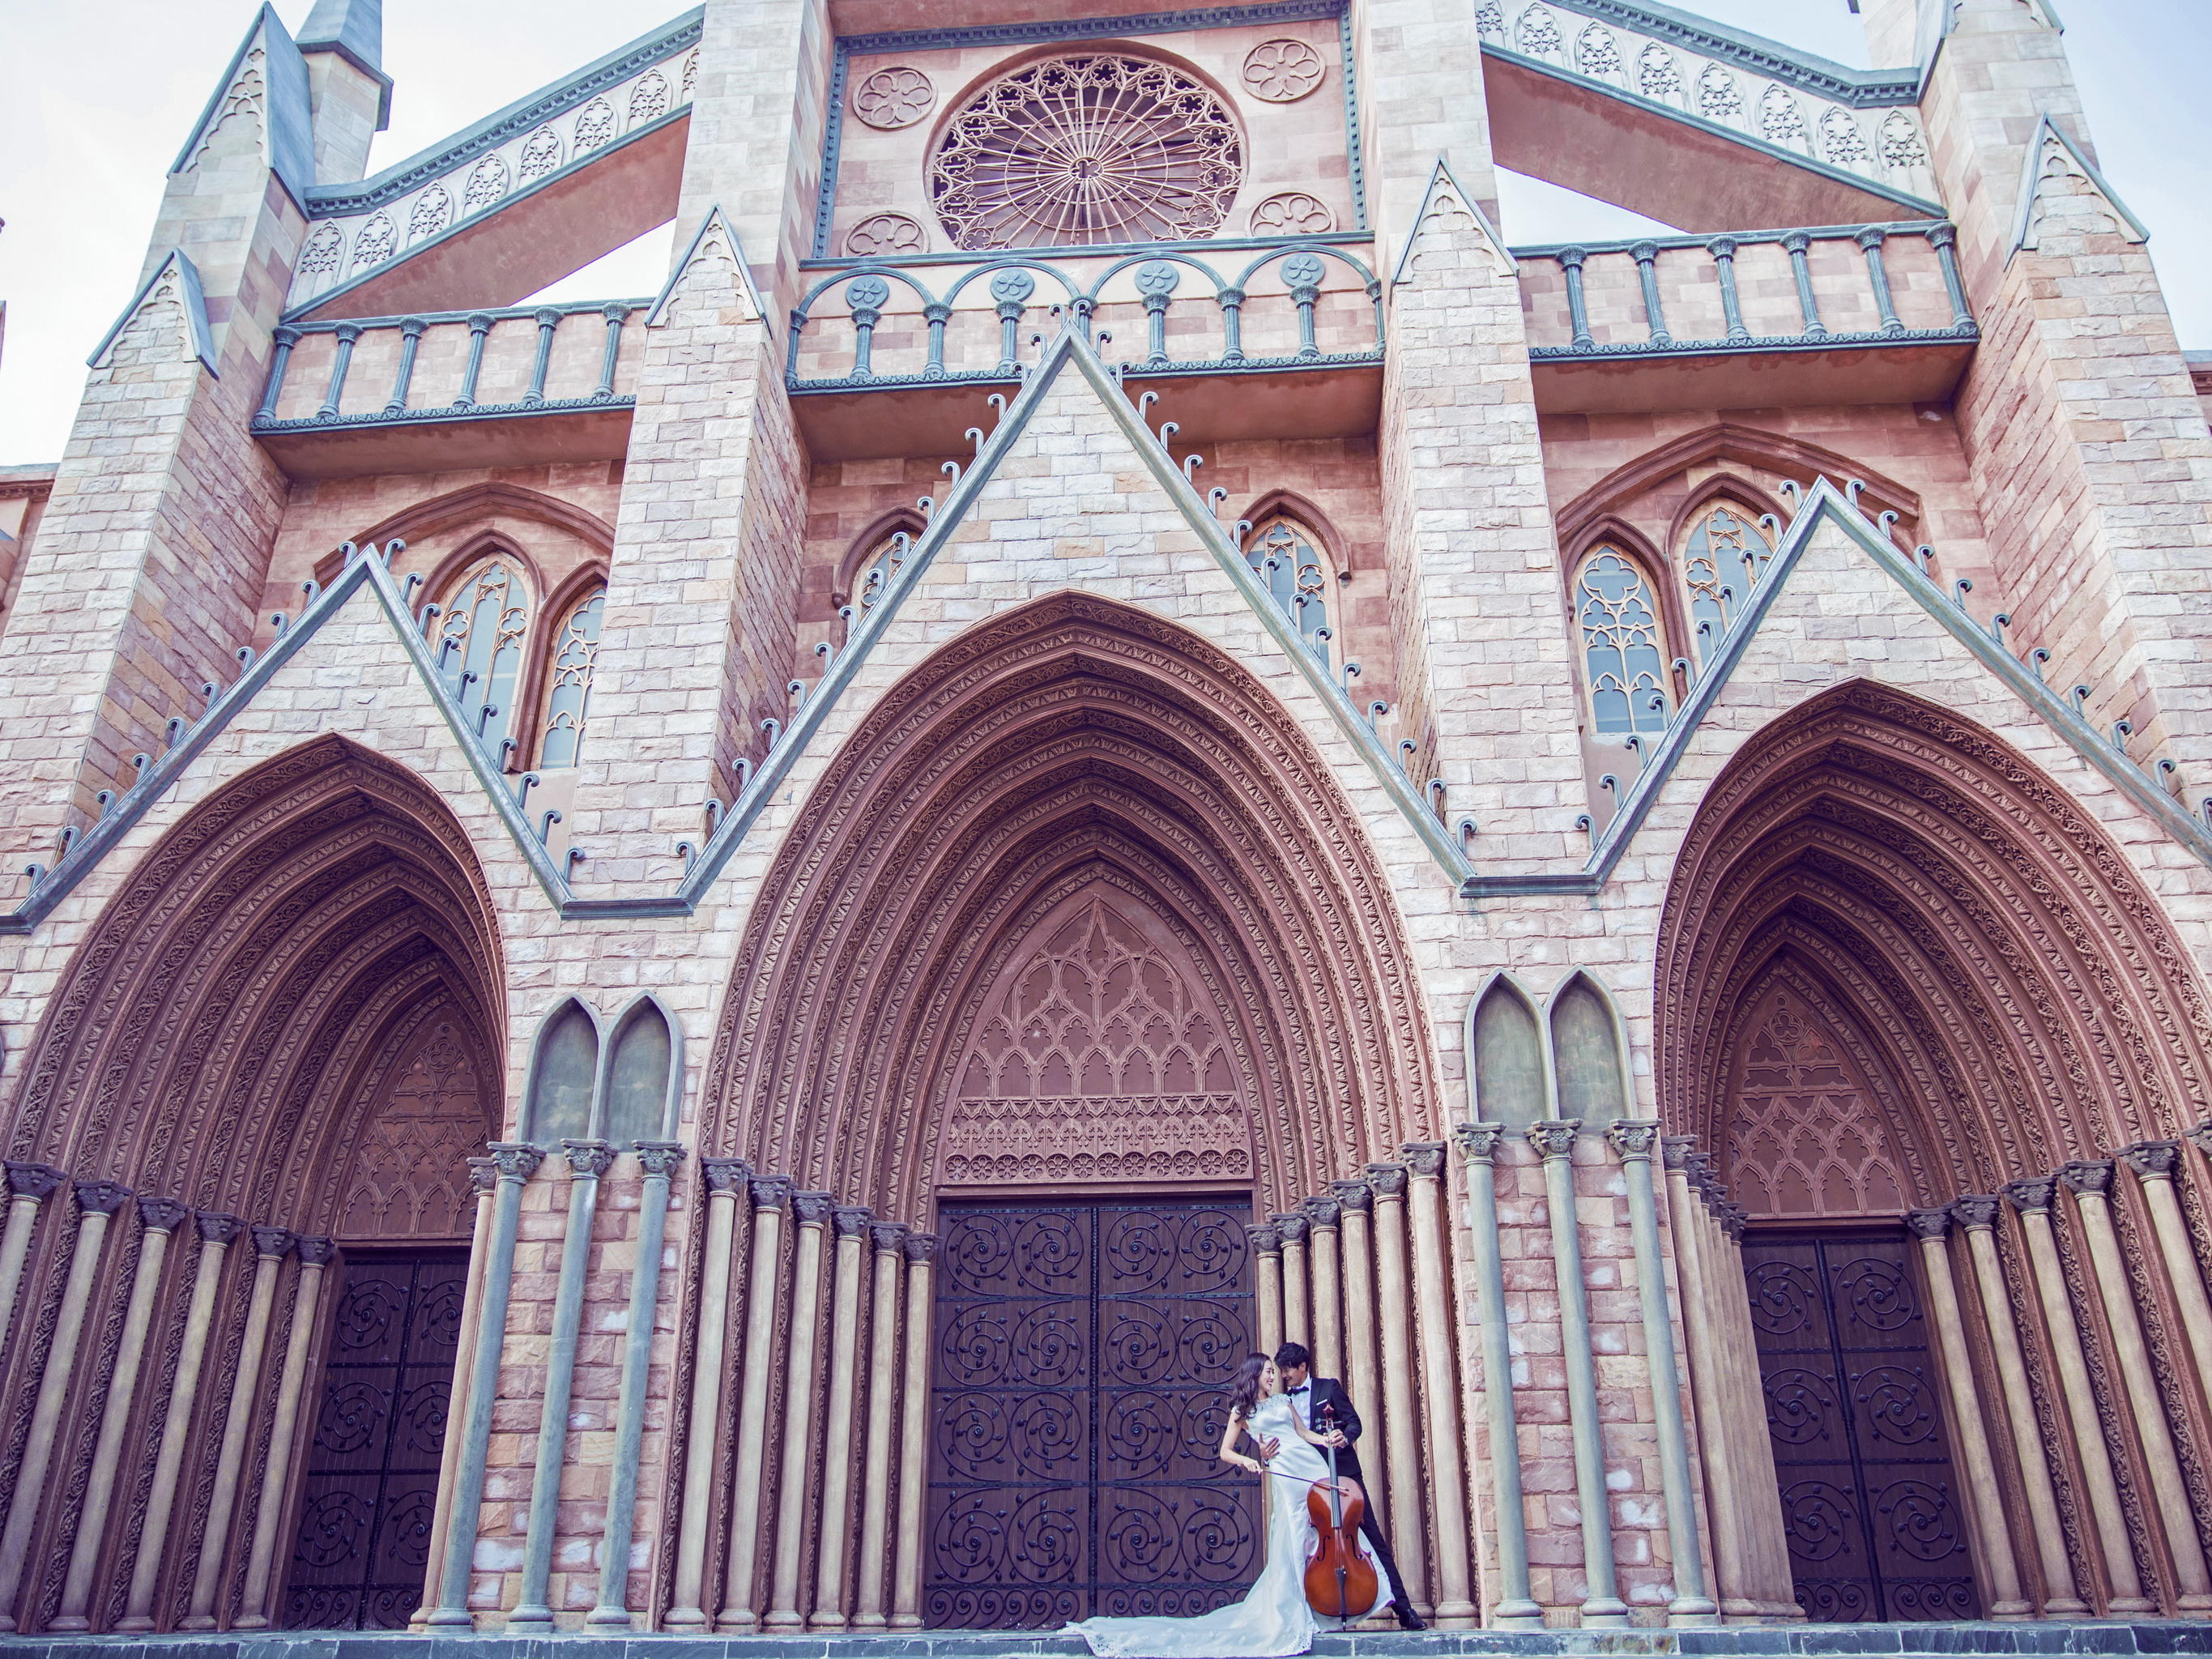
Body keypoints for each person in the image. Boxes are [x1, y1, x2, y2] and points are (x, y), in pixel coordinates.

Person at [1065, 1353, 1398, 1658]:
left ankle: (1345, 1599)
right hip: (1285, 1474)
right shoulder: (1242, 1412)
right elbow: (1225, 1451)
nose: (1273, 1377)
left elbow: (1302, 1434)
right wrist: (1249, 1461)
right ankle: (1299, 1613)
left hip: (1312, 1467)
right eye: (1269, 1372)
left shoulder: (1283, 1400)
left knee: (1330, 1532)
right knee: (1297, 1538)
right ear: (1254, 1375)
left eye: (1274, 1372)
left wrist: (1327, 1439)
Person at [1269, 1342, 1425, 1631]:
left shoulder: (1329, 1388)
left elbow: (1355, 1423)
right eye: (1280, 1370)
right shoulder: (1282, 1402)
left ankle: (1405, 1611)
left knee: (1373, 1542)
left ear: (1303, 1366)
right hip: (1308, 1482)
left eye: (1288, 1369)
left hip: (1345, 1480)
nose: (1284, 1375)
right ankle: (1317, 1616)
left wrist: (1345, 1436)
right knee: (1308, 1546)